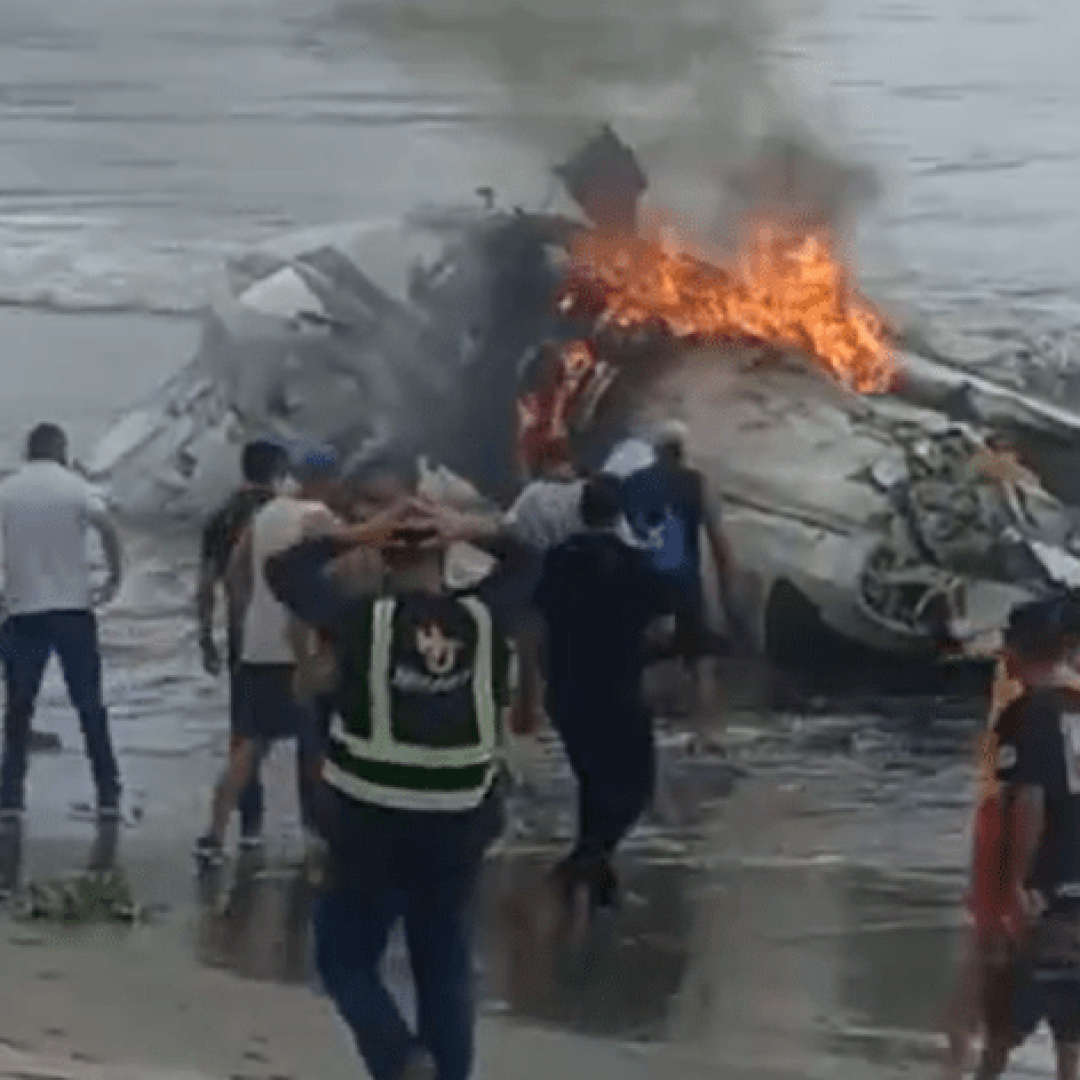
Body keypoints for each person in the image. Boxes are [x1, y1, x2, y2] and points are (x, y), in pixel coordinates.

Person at [264, 497, 522, 1080]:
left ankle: (397, 1058)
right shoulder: (485, 617)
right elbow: (531, 558)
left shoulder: (360, 621)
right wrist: (469, 528)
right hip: (460, 811)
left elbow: (283, 572)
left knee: (345, 957)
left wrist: (357, 531)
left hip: (370, 812)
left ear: (383, 558)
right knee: (443, 958)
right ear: (446, 555)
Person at [523, 474, 674, 916]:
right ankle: (588, 861)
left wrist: (528, 692)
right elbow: (661, 622)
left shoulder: (557, 561)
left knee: (593, 780)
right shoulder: (635, 565)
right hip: (618, 690)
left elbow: (534, 623)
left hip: (567, 689)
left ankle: (591, 865)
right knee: (634, 785)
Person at [194, 444, 341, 864]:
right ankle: (320, 832)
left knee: (249, 745)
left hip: (257, 647)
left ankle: (215, 833)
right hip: (298, 651)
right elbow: (337, 580)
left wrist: (242, 623)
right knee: (314, 746)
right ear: (323, 482)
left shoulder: (266, 515)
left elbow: (235, 573)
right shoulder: (319, 519)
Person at [974, 595, 1080, 1080]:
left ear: (1016, 652)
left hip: (1047, 888)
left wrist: (1014, 883)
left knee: (1003, 1026)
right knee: (1071, 1034)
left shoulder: (1025, 712)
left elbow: (1029, 802)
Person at [0, 423, 123, 823]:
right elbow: (108, 527)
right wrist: (114, 576)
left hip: (22, 612)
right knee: (90, 706)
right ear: (61, 450)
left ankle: (11, 797)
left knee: (19, 708)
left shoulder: (8, 490)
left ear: (28, 450)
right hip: (73, 610)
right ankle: (107, 791)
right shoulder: (75, 487)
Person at [617, 419, 750, 719]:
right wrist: (732, 602)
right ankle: (707, 730)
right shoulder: (697, 483)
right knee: (701, 659)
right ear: (681, 451)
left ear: (656, 451)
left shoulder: (631, 484)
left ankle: (629, 721)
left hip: (641, 580)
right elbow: (719, 545)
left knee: (632, 655)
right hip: (683, 581)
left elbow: (618, 534)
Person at [196, 437, 290, 848]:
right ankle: (319, 833)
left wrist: (205, 636)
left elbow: (205, 585)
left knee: (246, 734)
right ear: (279, 472)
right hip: (291, 639)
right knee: (312, 738)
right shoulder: (289, 516)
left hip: (242, 639)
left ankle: (249, 827)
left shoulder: (222, 517)